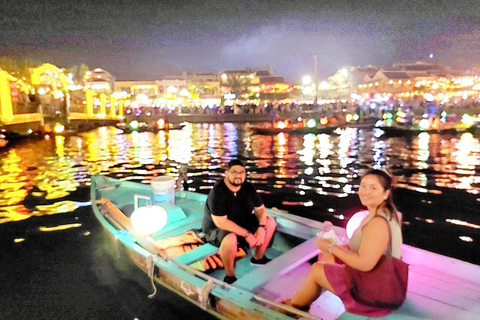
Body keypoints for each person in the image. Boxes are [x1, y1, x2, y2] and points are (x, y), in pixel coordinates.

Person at [281, 169, 403, 317]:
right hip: (385, 283)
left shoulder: (378, 222)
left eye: (373, 188)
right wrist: (335, 249)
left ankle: (294, 309)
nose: (366, 192)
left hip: (376, 293)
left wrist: (331, 247)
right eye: (363, 186)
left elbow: (365, 264)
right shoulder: (388, 213)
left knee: (317, 269)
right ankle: (301, 302)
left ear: (386, 193)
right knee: (327, 259)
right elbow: (368, 249)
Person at [202, 159, 276, 284]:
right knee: (231, 238)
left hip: (241, 222)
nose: (238, 175)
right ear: (227, 173)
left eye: (242, 172)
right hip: (217, 229)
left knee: (270, 222)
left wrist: (261, 227)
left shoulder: (248, 187)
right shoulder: (218, 192)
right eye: (234, 172)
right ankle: (229, 275)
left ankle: (258, 258)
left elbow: (260, 210)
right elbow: (221, 222)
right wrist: (247, 234)